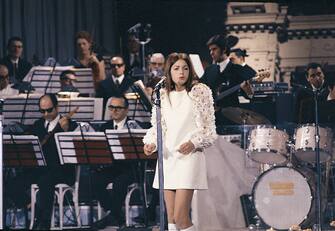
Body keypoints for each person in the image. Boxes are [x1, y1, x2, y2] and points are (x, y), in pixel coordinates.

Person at [143, 53, 217, 231]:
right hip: (168, 159)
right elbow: (158, 126)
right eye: (176, 68)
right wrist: (151, 142)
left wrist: (193, 142)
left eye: (185, 68)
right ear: (169, 71)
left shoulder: (199, 91)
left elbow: (209, 130)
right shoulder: (162, 93)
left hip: (189, 157)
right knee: (171, 220)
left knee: (181, 218)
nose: (181, 72)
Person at [91, 96, 142, 229]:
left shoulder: (134, 126)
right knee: (95, 179)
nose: (114, 111)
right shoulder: (105, 127)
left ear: (126, 110)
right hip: (111, 167)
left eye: (118, 108)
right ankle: (114, 214)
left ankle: (112, 217)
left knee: (120, 182)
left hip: (130, 168)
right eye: (111, 107)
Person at [31, 94, 78, 229]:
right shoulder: (37, 124)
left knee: (45, 180)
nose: (45, 114)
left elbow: (74, 150)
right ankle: (31, 208)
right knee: (14, 181)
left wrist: (66, 130)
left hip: (62, 171)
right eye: (42, 111)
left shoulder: (70, 124)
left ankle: (43, 223)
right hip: (41, 170)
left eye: (49, 110)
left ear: (57, 107)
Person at [200, 34, 256, 125]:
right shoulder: (209, 70)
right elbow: (200, 89)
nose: (211, 53)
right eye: (210, 50)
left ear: (224, 49)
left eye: (214, 49)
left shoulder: (238, 70)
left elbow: (249, 96)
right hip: (211, 119)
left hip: (232, 118)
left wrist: (248, 90)